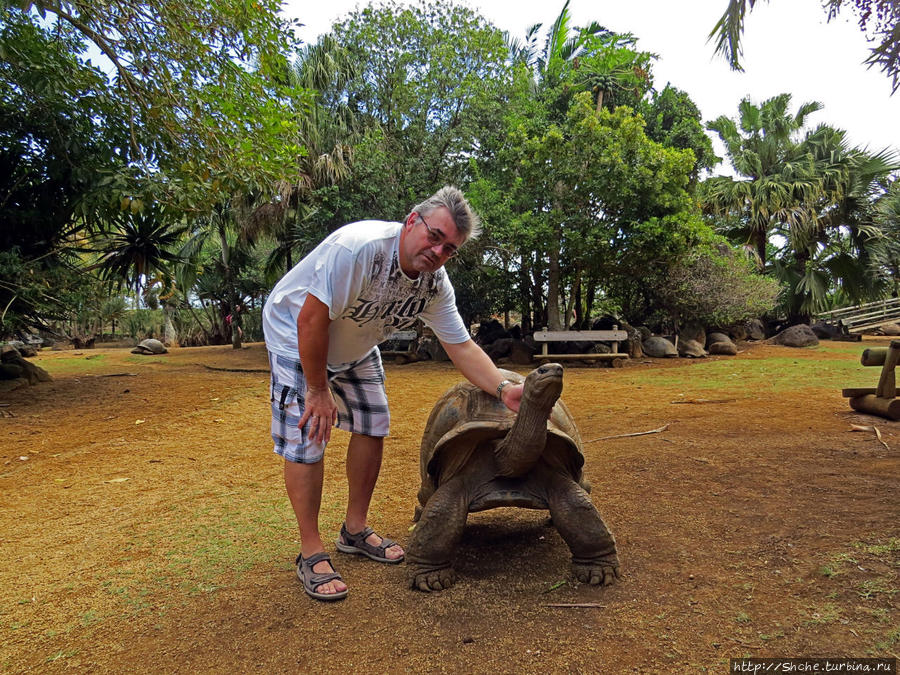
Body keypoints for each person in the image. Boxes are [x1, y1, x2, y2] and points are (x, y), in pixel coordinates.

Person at [262, 186, 524, 601]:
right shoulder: (359, 250)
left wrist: (505, 387)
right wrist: (316, 390)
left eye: (449, 248)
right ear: (411, 222)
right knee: (310, 435)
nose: (438, 251)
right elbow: (311, 320)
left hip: (356, 344)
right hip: (297, 335)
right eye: (434, 236)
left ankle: (354, 529)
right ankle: (310, 550)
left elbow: (461, 346)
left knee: (373, 423)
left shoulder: (435, 285)